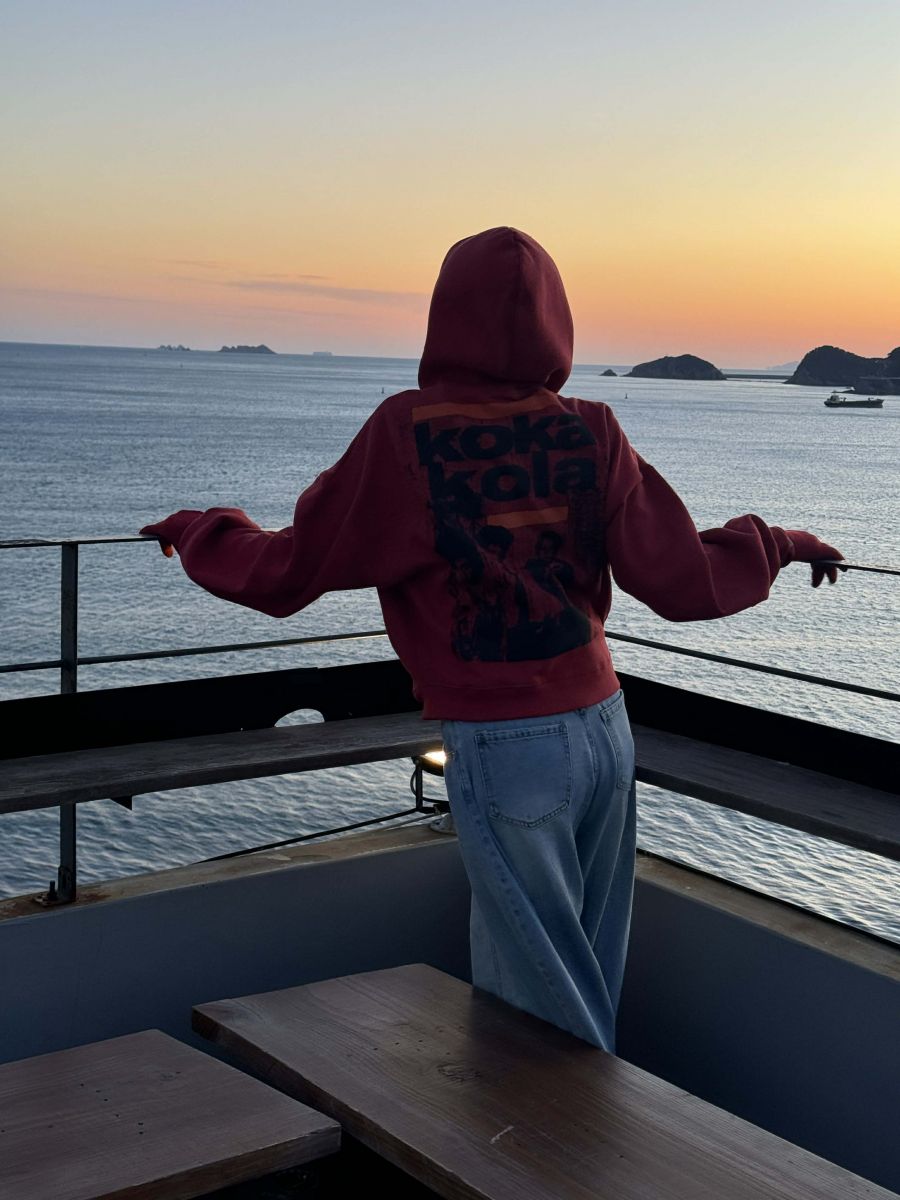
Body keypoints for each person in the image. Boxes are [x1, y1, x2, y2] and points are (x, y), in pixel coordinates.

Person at [141, 227, 844, 1051]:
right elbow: (681, 579)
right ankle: (569, 1128)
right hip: (606, 729)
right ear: (555, 322)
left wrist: (201, 530)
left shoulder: (407, 430)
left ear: (447, 316)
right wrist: (782, 542)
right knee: (585, 977)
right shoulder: (593, 428)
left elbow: (289, 571)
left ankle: (570, 1137)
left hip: (509, 746)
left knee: (540, 1011)